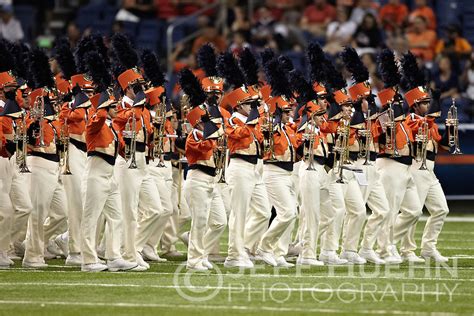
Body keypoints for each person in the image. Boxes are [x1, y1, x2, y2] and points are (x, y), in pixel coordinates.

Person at [80, 50, 140, 272]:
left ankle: (114, 257)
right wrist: (102, 103)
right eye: (113, 107)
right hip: (95, 173)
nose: (117, 110)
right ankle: (88, 260)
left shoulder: (113, 127)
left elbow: (120, 149)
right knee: (91, 218)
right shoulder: (95, 123)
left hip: (110, 174)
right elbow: (97, 119)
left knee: (116, 217)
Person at [399, 88, 450, 263]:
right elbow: (423, 126)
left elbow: (443, 147)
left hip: (429, 170)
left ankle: (428, 248)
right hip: (416, 168)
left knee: (441, 209)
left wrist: (450, 130)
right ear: (414, 105)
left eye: (429, 103)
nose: (427, 106)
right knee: (413, 211)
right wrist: (436, 106)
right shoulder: (410, 119)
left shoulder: (430, 123)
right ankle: (406, 250)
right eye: (424, 103)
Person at [431, 55, 469, 122]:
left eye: (446, 63)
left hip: (448, 97)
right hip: (437, 98)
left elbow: (454, 90)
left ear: (449, 64)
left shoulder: (454, 75)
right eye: (442, 63)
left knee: (455, 99)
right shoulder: (435, 75)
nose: (444, 65)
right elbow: (432, 89)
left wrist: (441, 96)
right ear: (439, 65)